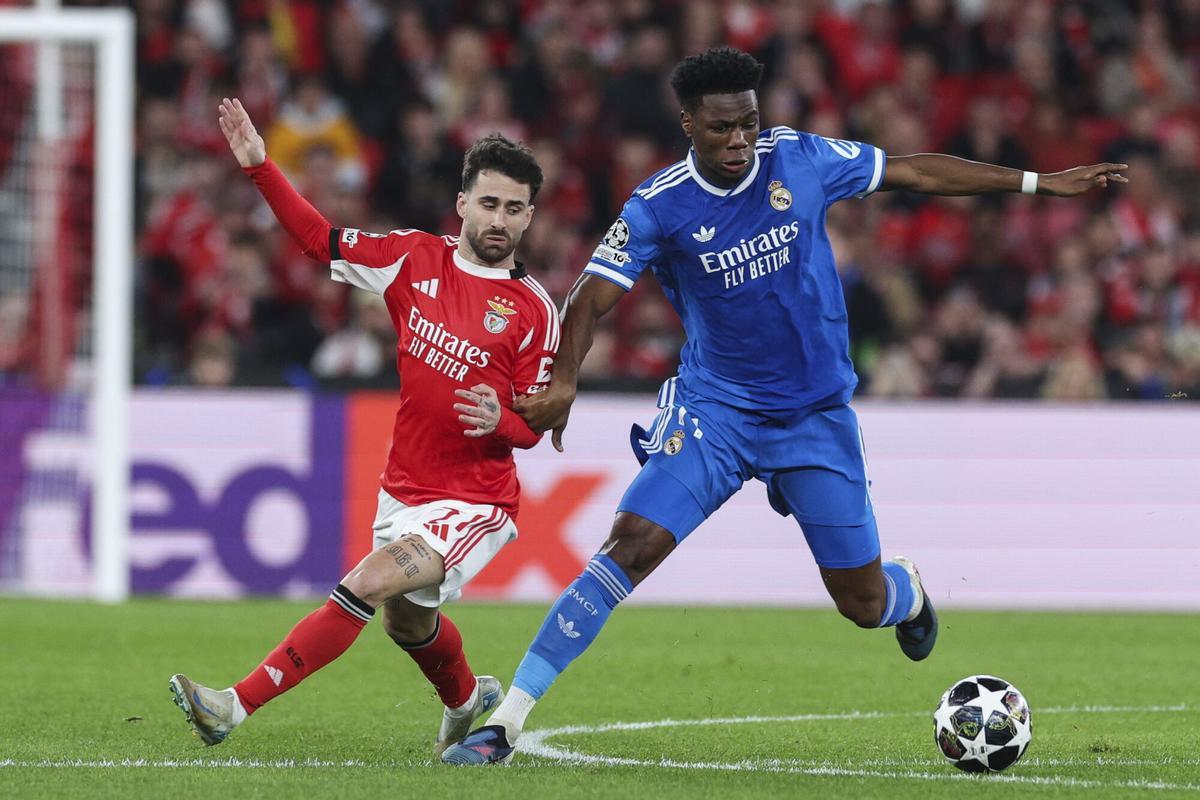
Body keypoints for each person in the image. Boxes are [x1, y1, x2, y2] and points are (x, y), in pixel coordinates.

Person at [441, 47, 1127, 765]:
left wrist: (1038, 183)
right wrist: (567, 380)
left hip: (814, 419)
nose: (739, 141)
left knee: (862, 604)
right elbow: (590, 295)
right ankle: (507, 722)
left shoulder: (799, 158)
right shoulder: (659, 205)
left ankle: (908, 591)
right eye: (721, 129)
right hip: (718, 413)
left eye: (748, 124)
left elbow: (914, 170)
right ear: (688, 125)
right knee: (630, 545)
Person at [169, 98, 560, 757]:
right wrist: (262, 168)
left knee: (366, 584)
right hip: (403, 489)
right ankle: (467, 701)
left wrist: (507, 420)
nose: (501, 219)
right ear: (462, 203)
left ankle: (231, 706)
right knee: (408, 624)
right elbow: (319, 239)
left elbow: (537, 425)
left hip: (475, 501)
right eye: (489, 203)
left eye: (515, 208)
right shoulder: (411, 258)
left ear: (530, 216)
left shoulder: (532, 310)